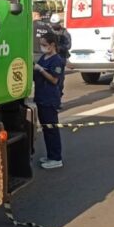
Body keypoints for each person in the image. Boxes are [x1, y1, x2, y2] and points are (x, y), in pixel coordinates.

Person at [34, 32, 65, 169]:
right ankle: (50, 155)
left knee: (52, 129)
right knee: (46, 128)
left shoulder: (56, 60)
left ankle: (56, 158)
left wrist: (40, 70)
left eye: (44, 45)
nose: (42, 47)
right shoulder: (44, 57)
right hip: (41, 97)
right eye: (41, 44)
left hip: (50, 98)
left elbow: (54, 79)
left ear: (52, 45)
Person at [49, 14, 71, 97]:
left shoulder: (64, 33)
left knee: (59, 79)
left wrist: (59, 48)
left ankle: (58, 95)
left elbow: (68, 45)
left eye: (55, 24)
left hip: (59, 59)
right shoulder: (49, 31)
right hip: (50, 58)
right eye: (52, 24)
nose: (53, 26)